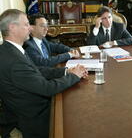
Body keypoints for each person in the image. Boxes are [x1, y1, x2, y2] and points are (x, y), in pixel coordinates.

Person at [0, 9, 88, 138]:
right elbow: (47, 88)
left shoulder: (10, 50)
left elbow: (36, 70)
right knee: (78, 116)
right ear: (12, 27)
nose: (30, 28)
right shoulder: (14, 59)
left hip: (24, 109)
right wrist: (74, 76)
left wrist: (65, 71)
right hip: (32, 118)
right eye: (26, 24)